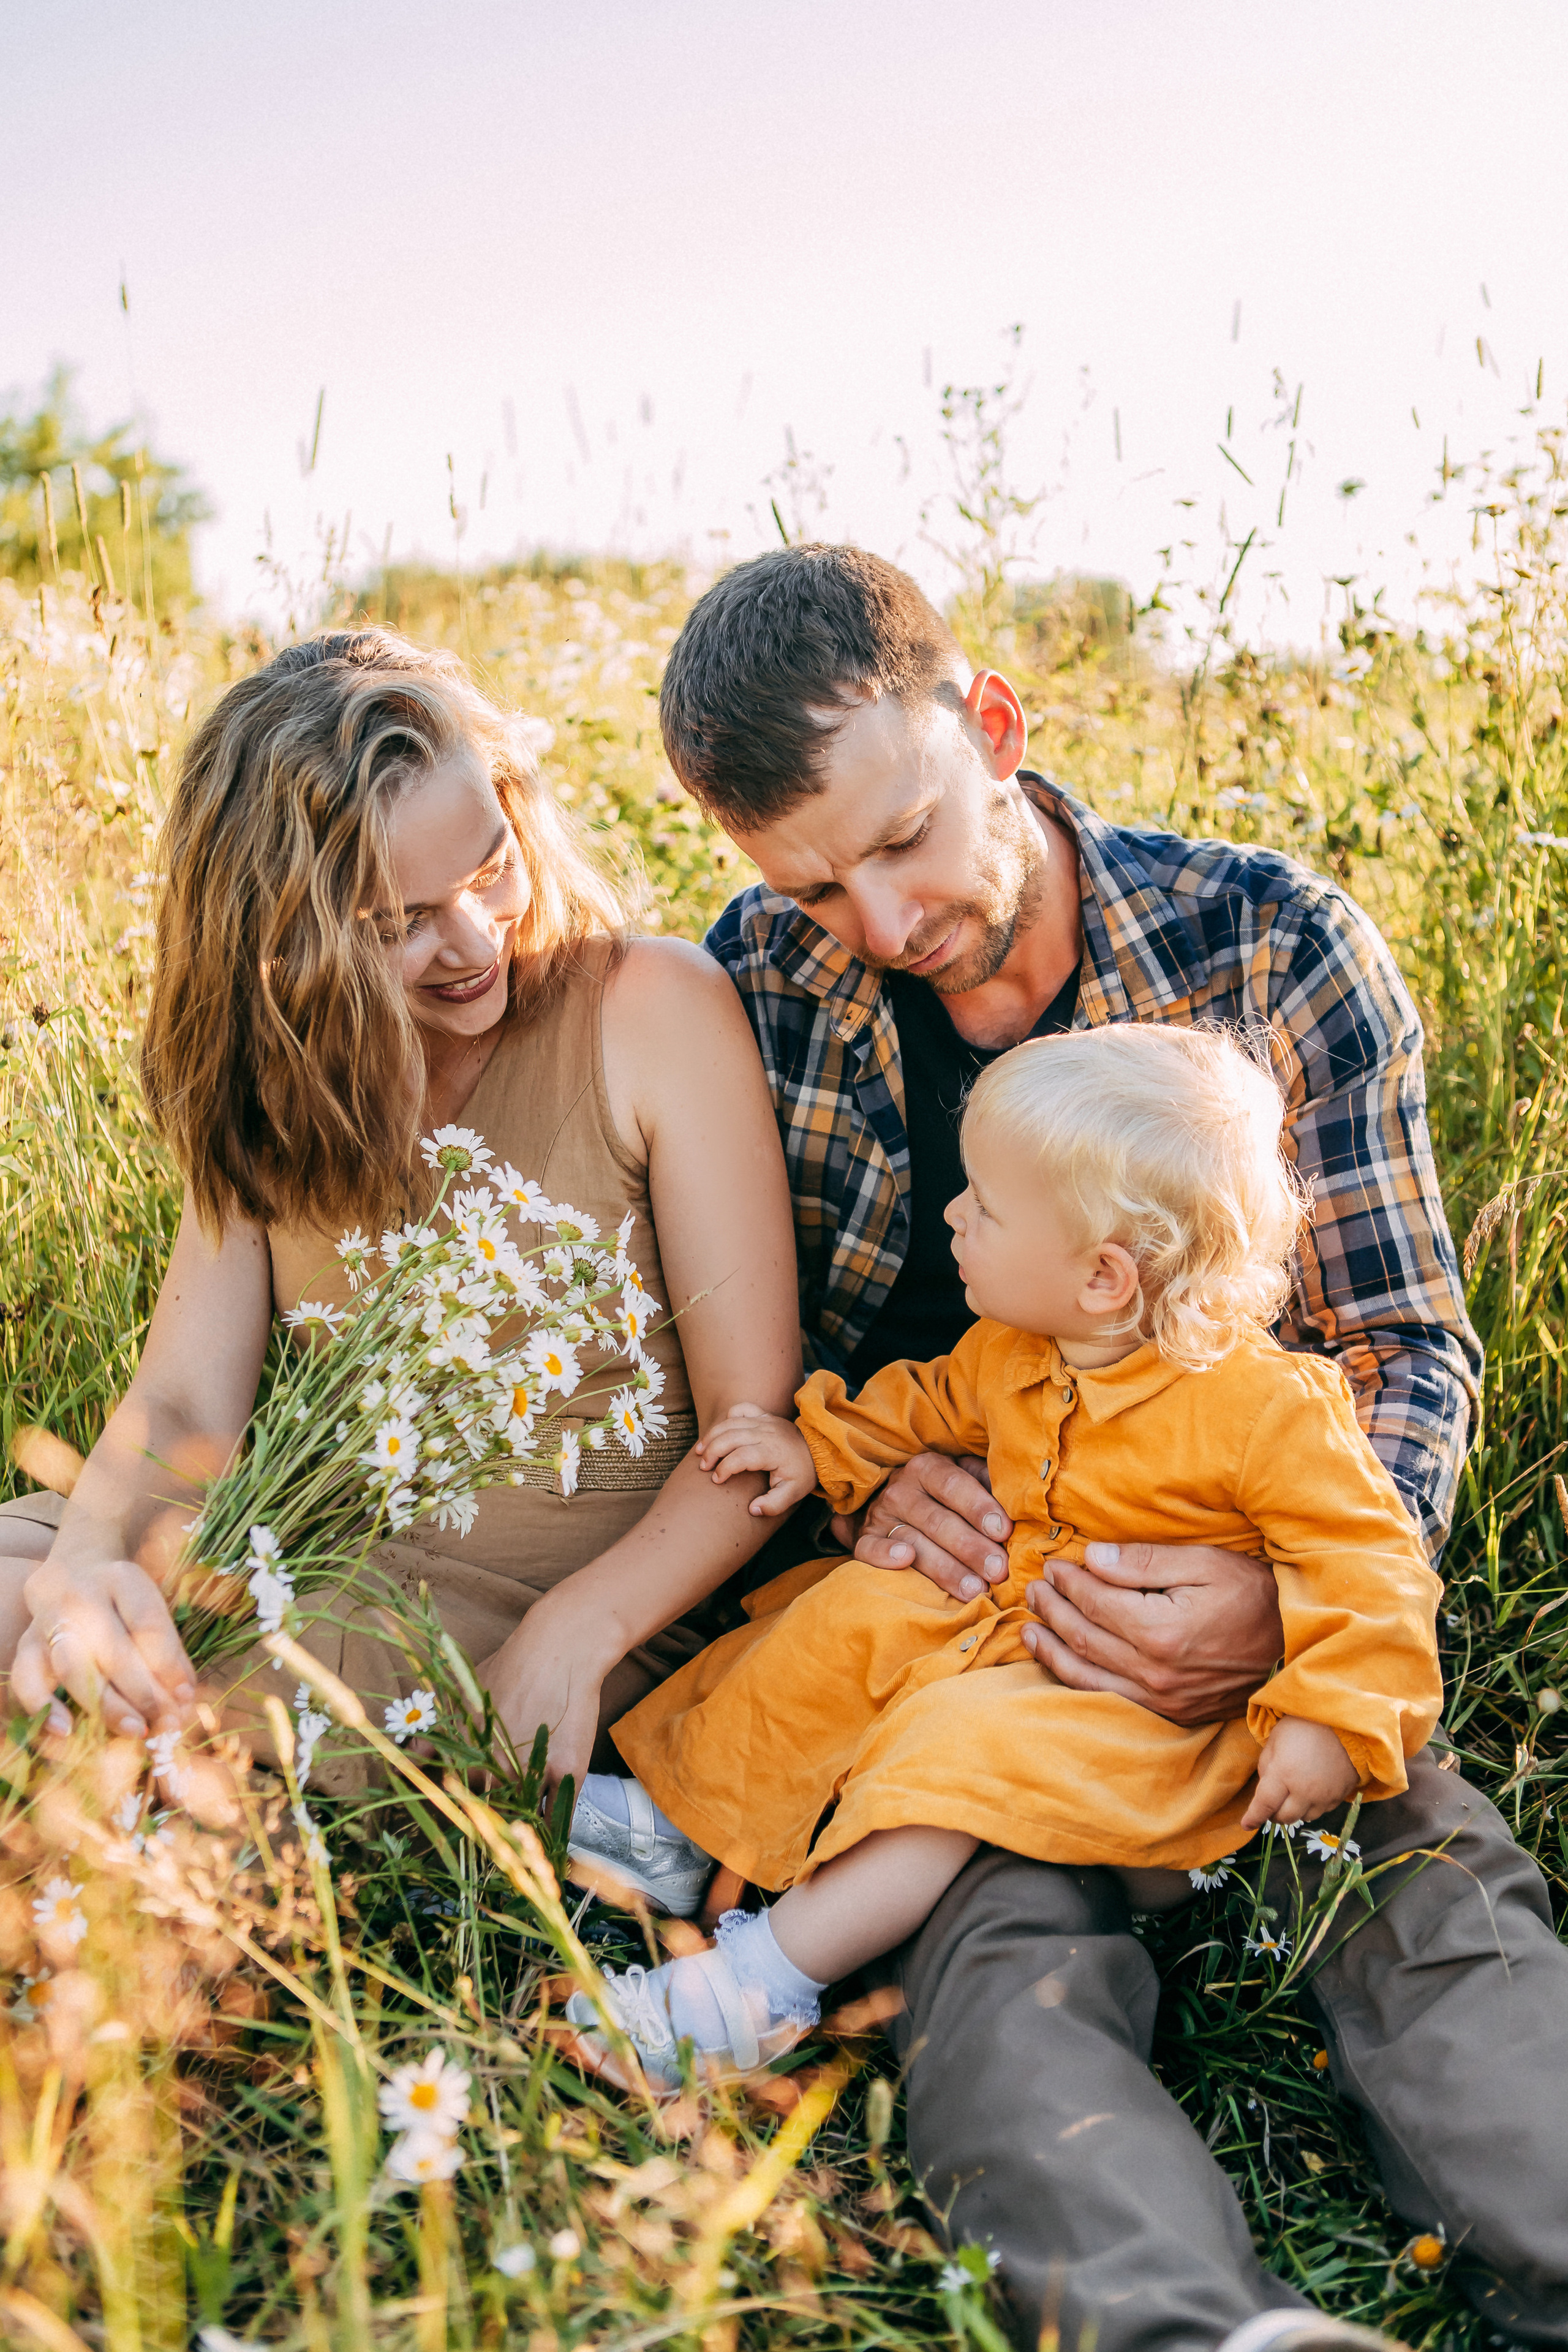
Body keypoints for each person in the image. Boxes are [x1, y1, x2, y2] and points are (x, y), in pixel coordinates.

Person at [649, 545, 1568, 2352]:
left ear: (993, 725)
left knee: (1424, 1891)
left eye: (906, 840)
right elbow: (745, 1363)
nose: (884, 922)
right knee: (984, 1975)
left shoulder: (1267, 942)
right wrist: (863, 1493)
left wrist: (1279, 1605)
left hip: (1255, 1571)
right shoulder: (750, 986)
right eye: (817, 885)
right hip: (980, 1647)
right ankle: (1202, 2335)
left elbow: (1400, 1343)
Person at [565, 1023, 1443, 2088]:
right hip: (1002, 1624)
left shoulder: (1267, 1412)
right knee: (854, 1615)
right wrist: (817, 1447)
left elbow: (1371, 1567)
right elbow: (920, 1405)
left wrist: (1327, 1716)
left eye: (983, 1206)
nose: (954, 1215)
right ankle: (689, 1827)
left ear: (1104, 1276)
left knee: (954, 1747)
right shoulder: (1017, 1349)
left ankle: (761, 1985)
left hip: (1133, 1715)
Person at [0, 628, 800, 1792]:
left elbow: (753, 1429)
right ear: (280, 937)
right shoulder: (272, 1077)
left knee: (160, 1735)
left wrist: (575, 1632)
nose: (475, 945)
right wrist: (84, 1567)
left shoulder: (647, 1010)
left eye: (492, 867)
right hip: (293, 1547)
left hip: (560, 1610)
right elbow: (182, 1402)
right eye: (394, 923)